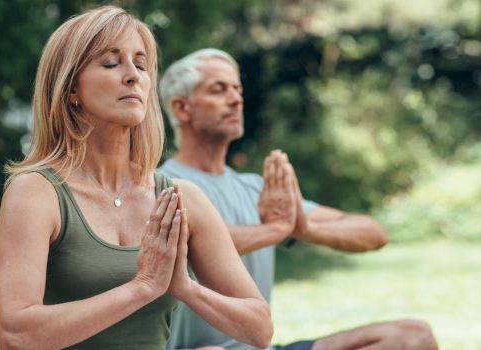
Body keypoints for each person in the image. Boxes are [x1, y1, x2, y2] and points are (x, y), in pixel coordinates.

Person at [0, 9, 273, 350]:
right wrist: (143, 287)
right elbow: (16, 335)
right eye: (111, 63)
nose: (132, 76)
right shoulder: (36, 192)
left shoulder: (180, 198)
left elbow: (259, 329)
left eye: (140, 65)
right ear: (70, 89)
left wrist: (184, 287)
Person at [158, 48, 439, 350]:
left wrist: (303, 228)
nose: (236, 99)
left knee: (413, 336)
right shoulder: (162, 185)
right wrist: (272, 231)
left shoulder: (257, 189)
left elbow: (373, 233)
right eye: (219, 89)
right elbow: (186, 245)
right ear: (182, 108)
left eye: (237, 89)